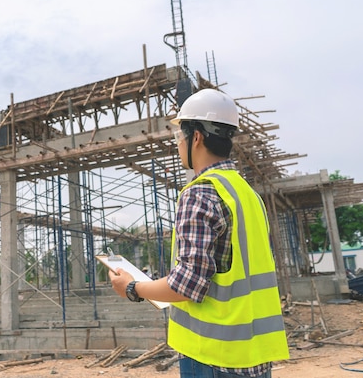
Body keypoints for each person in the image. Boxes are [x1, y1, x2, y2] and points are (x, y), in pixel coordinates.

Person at [109, 88, 289, 377]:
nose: (177, 144)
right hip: (253, 355)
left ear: (196, 137)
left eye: (179, 137)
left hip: (212, 356)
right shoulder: (246, 193)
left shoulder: (200, 193)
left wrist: (132, 287)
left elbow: (187, 285)